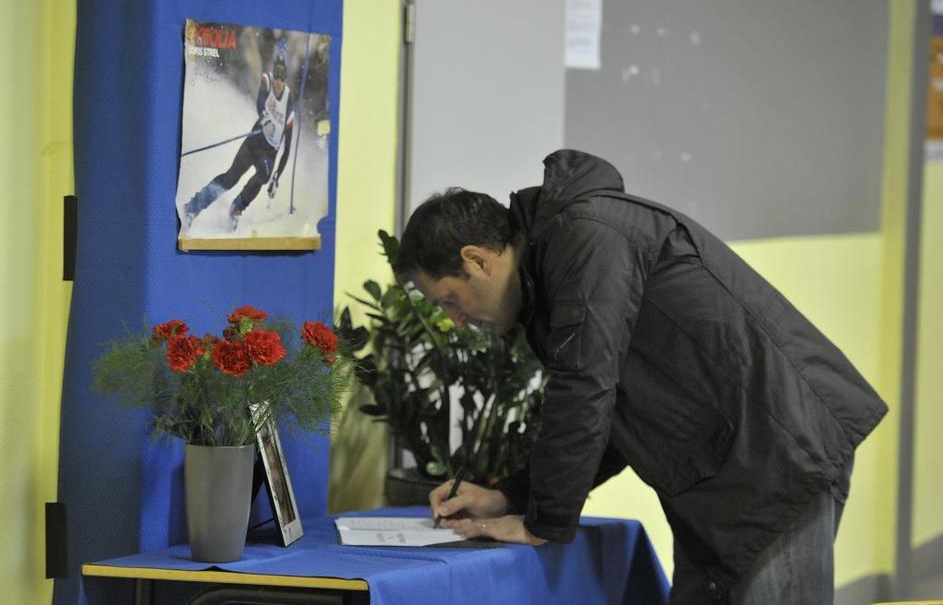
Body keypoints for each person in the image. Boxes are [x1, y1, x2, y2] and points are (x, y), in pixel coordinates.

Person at [396, 149, 887, 604]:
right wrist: (509, 496)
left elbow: (586, 389)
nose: (454, 320)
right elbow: (611, 416)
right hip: (725, 471)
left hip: (774, 457)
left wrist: (540, 524)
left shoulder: (586, 237)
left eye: (450, 300)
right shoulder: (553, 271)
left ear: (477, 260)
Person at [183, 45, 295, 231]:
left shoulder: (289, 107)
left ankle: (237, 207)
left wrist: (277, 177)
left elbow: (288, 150)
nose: (278, 82)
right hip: (254, 143)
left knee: (264, 176)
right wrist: (265, 118)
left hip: (269, 152)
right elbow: (260, 102)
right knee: (231, 178)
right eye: (277, 77)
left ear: (285, 80)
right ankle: (192, 208)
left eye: (281, 79)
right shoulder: (267, 80)